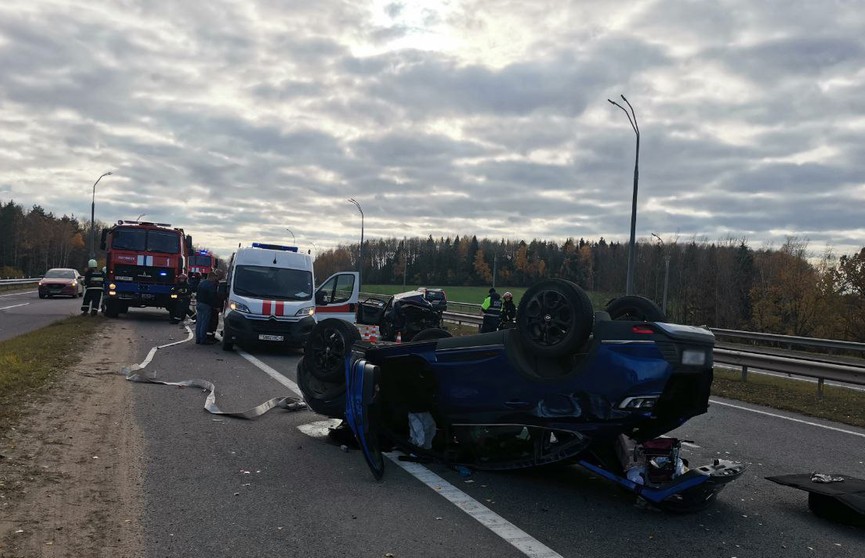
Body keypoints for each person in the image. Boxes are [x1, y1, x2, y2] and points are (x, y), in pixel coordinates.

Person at [195, 272, 217, 344]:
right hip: (206, 305)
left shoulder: (201, 283)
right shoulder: (211, 285)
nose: (215, 279)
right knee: (205, 323)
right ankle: (203, 339)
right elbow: (212, 296)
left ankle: (198, 339)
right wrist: (214, 306)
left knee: (199, 322)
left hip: (199, 303)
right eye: (215, 277)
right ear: (212, 277)